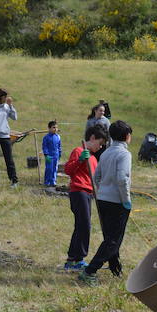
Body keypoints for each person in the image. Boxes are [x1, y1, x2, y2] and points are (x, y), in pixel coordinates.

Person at [78, 121, 133, 285]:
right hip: (117, 201)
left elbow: (96, 177)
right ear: (127, 136)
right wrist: (126, 200)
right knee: (113, 240)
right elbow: (123, 179)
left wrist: (103, 190)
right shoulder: (124, 154)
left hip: (102, 199)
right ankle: (90, 270)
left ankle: (115, 268)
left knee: (110, 237)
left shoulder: (106, 152)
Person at [62, 125, 108, 271]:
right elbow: (68, 170)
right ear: (92, 137)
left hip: (88, 193)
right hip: (78, 191)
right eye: (99, 143)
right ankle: (79, 259)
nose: (100, 147)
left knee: (81, 225)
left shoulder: (94, 159)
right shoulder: (79, 151)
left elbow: (95, 179)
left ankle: (72, 259)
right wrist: (80, 160)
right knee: (85, 225)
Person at [41, 120, 61, 187]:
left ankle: (53, 181)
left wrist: (59, 153)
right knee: (49, 168)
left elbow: (59, 146)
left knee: (55, 169)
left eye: (56, 127)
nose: (55, 129)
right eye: (53, 127)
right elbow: (44, 146)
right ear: (49, 128)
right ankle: (47, 182)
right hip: (49, 156)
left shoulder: (58, 137)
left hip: (56, 155)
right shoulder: (46, 137)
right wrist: (46, 154)